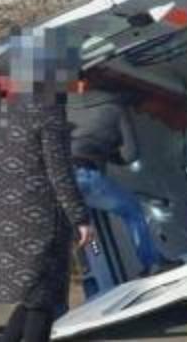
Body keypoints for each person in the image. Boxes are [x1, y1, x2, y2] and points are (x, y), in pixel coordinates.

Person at [0, 29, 92, 342]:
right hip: (39, 219)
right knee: (43, 303)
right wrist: (81, 218)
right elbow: (59, 171)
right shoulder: (49, 108)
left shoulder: (8, 106)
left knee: (34, 299)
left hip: (7, 214)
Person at [67, 85, 160, 274]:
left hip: (60, 177)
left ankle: (88, 274)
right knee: (133, 211)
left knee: (80, 225)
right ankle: (153, 263)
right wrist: (107, 152)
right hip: (86, 174)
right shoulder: (115, 108)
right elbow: (130, 154)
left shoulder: (62, 105)